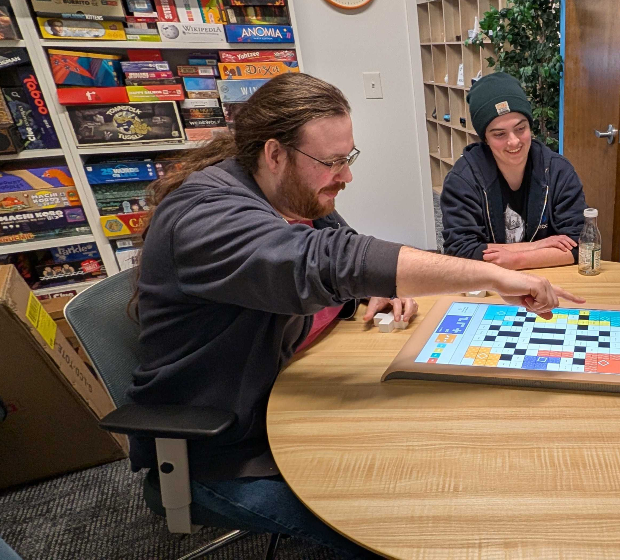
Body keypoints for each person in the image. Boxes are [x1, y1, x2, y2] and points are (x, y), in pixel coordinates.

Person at [131, 73, 583, 558]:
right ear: (275, 154)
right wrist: (492, 275)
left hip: (294, 395)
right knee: (408, 530)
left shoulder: (290, 192)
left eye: (348, 158)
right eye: (331, 162)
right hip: (228, 446)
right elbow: (328, 261)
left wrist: (367, 293)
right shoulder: (204, 215)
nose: (346, 176)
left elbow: (341, 252)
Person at [440, 72, 587, 270]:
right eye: (499, 134)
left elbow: (580, 244)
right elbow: (460, 252)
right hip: (488, 282)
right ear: (485, 139)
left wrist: (515, 260)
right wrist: (537, 246)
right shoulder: (463, 180)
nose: (514, 141)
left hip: (551, 278)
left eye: (520, 129)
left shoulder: (558, 171)